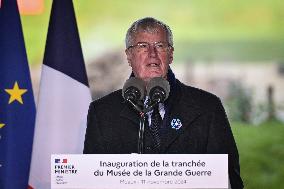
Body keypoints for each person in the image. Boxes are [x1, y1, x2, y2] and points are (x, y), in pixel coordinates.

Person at [84, 17, 244, 189]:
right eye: (142, 46)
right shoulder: (102, 112)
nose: (152, 54)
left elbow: (229, 179)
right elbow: (91, 180)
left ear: (171, 54)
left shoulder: (207, 107)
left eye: (160, 46)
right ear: (129, 56)